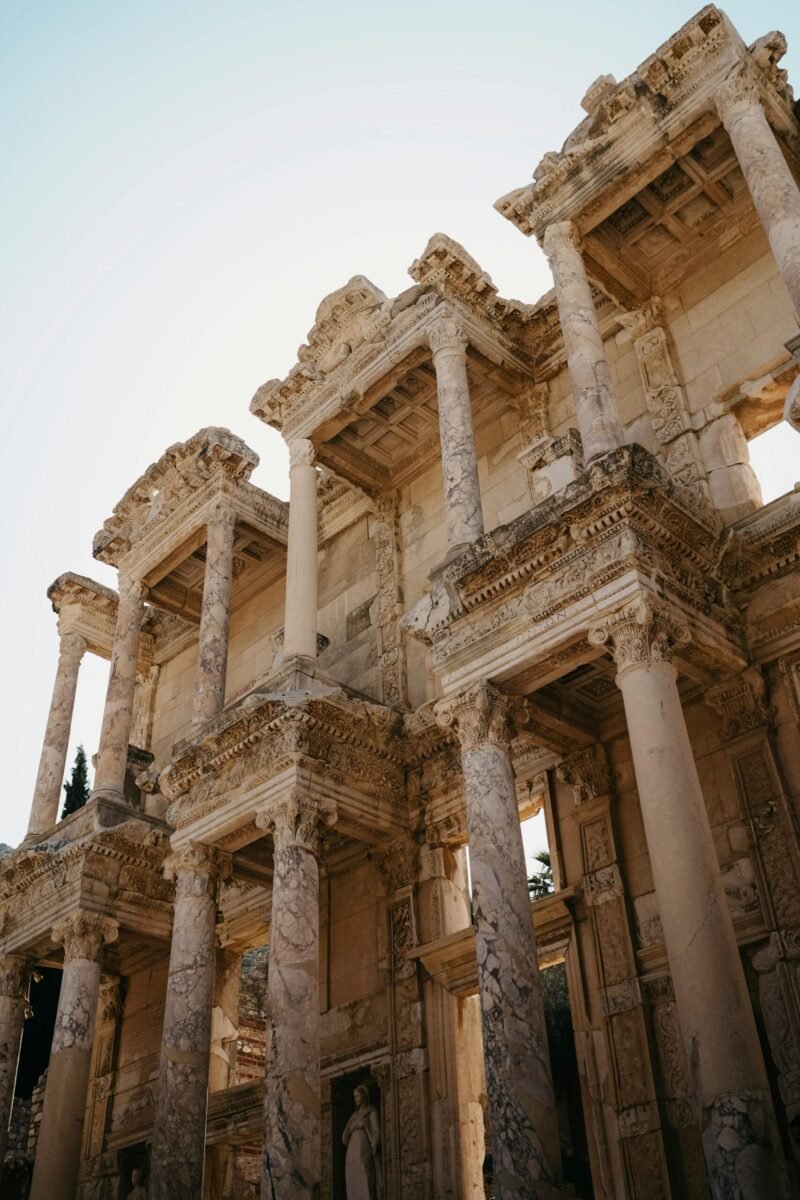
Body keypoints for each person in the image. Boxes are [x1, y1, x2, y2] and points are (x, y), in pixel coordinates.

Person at [342, 1084, 382, 1199]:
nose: (356, 1099)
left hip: (364, 1148)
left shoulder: (371, 1111)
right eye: (355, 1097)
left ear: (364, 1096)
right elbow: (345, 1137)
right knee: (352, 1178)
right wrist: (352, 1129)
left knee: (365, 1174)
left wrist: (365, 1127)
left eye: (358, 1096)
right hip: (352, 1149)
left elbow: (377, 1132)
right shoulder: (353, 1116)